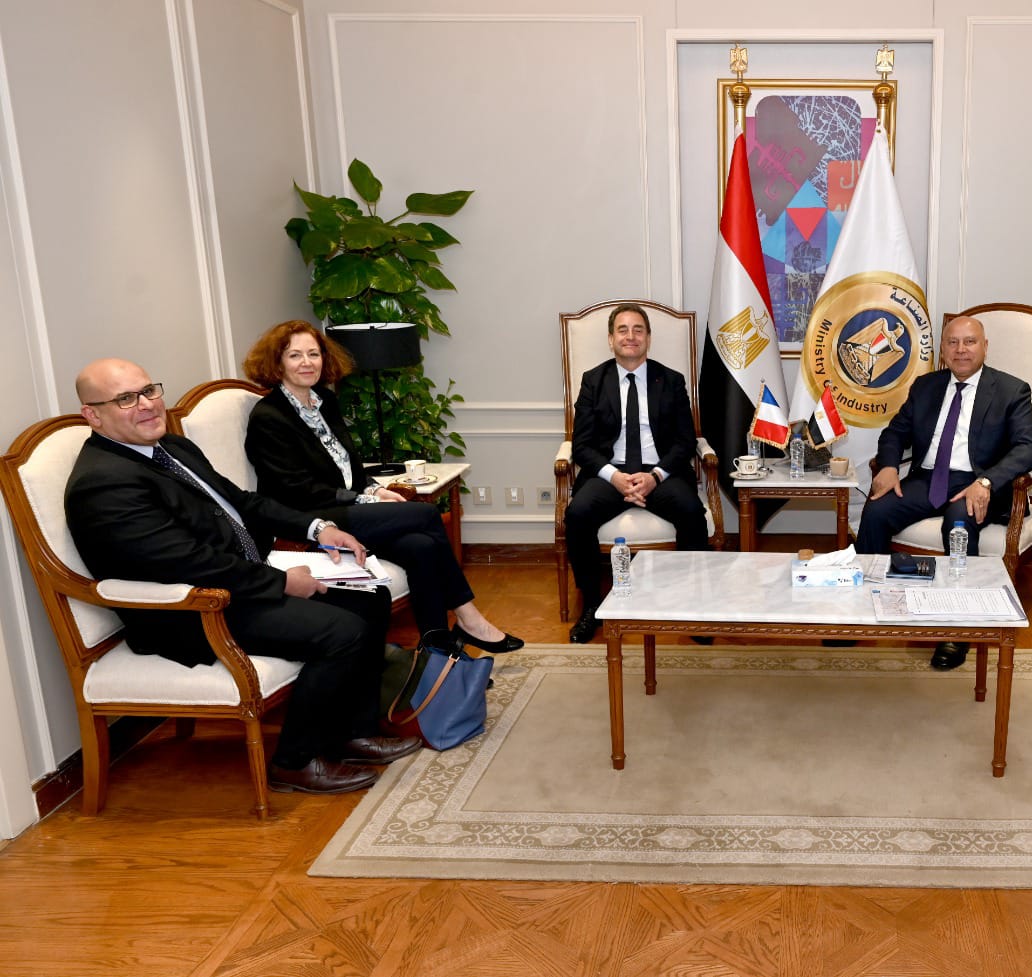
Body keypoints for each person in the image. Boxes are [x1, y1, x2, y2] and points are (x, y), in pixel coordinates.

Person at [64, 358, 423, 795]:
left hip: (238, 583)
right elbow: (187, 563)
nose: (146, 405)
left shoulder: (171, 448)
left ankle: (351, 732)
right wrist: (282, 582)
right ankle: (294, 762)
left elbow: (242, 502)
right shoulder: (104, 483)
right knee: (341, 630)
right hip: (193, 611)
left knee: (370, 597)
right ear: (92, 415)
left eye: (148, 390)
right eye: (126, 399)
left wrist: (317, 528)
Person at [241, 320, 521, 654]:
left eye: (314, 354)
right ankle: (468, 616)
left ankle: (438, 649)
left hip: (342, 507)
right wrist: (362, 500)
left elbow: (347, 464)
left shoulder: (324, 401)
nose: (307, 362)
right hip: (308, 518)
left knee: (420, 546)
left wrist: (373, 490)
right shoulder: (269, 417)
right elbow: (294, 489)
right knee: (425, 515)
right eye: (295, 355)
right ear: (277, 363)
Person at [855, 315, 1032, 671]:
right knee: (877, 511)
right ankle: (864, 608)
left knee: (958, 524)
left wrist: (987, 482)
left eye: (970, 342)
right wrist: (890, 466)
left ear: (985, 347)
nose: (961, 350)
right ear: (943, 350)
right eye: (953, 342)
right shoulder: (926, 386)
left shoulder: (1011, 390)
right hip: (928, 479)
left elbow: (1029, 448)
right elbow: (895, 433)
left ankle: (957, 629)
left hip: (976, 482)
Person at [565, 303, 708, 644]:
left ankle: (693, 605)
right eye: (623, 330)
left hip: (659, 473)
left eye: (638, 330)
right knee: (577, 514)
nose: (630, 336)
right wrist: (614, 477)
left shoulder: (671, 380)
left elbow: (685, 441)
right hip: (609, 474)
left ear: (648, 338)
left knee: (692, 512)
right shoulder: (593, 381)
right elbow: (581, 445)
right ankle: (592, 606)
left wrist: (655, 476)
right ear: (611, 339)